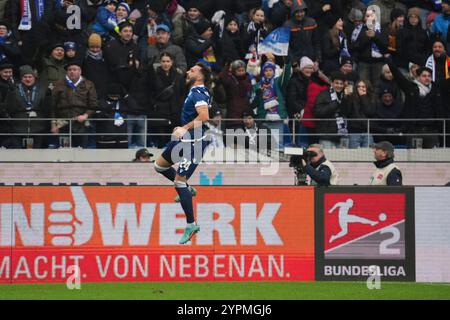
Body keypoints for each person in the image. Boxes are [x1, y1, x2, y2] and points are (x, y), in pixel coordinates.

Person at [153, 62, 212, 244]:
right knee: (159, 166)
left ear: (200, 76)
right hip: (184, 139)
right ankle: (188, 189)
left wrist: (184, 128)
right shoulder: (195, 91)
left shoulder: (198, 92)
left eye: (192, 70)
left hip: (193, 143)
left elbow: (204, 117)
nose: (188, 71)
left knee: (179, 183)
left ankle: (191, 223)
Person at [52, 62, 98, 148]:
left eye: (74, 69)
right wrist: (53, 124)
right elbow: (53, 105)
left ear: (80, 71)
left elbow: (94, 104)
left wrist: (86, 115)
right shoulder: (59, 84)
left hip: (82, 124)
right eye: (69, 70)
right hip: (63, 123)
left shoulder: (89, 84)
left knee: (82, 152)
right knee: (64, 151)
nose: (72, 72)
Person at [5, 65, 52, 149]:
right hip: (18, 128)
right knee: (18, 155)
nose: (27, 79)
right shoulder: (15, 89)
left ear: (34, 78)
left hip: (38, 128)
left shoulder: (42, 89)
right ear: (21, 78)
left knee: (37, 156)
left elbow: (47, 109)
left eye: (30, 77)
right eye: (25, 77)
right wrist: (11, 93)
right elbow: (9, 108)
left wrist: (48, 97)